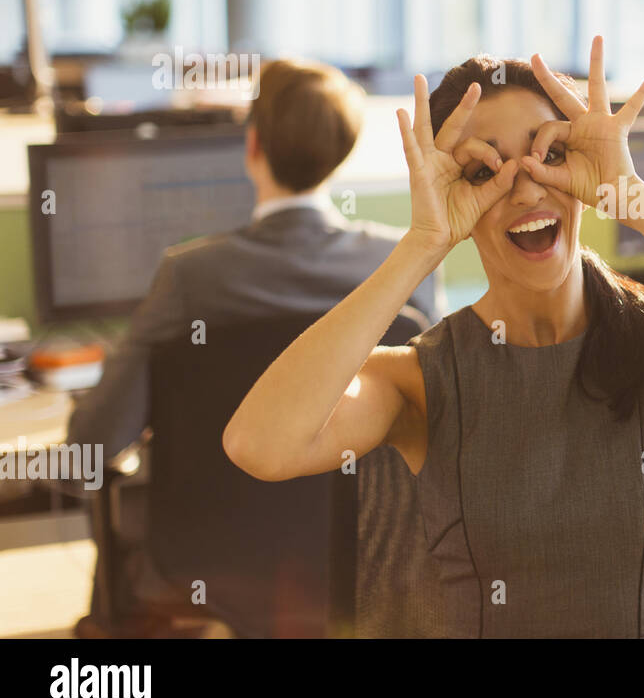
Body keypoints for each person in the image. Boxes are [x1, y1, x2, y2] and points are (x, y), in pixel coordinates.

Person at [223, 37, 644, 638]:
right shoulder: (418, 381)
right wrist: (422, 245)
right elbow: (262, 445)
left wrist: (633, 198)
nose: (525, 188)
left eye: (549, 156)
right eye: (482, 170)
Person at [68, 58, 445, 637]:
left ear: (253, 146)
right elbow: (444, 429)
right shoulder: (403, 266)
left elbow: (93, 446)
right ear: (340, 151)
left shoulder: (187, 276)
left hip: (205, 568)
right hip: (366, 562)